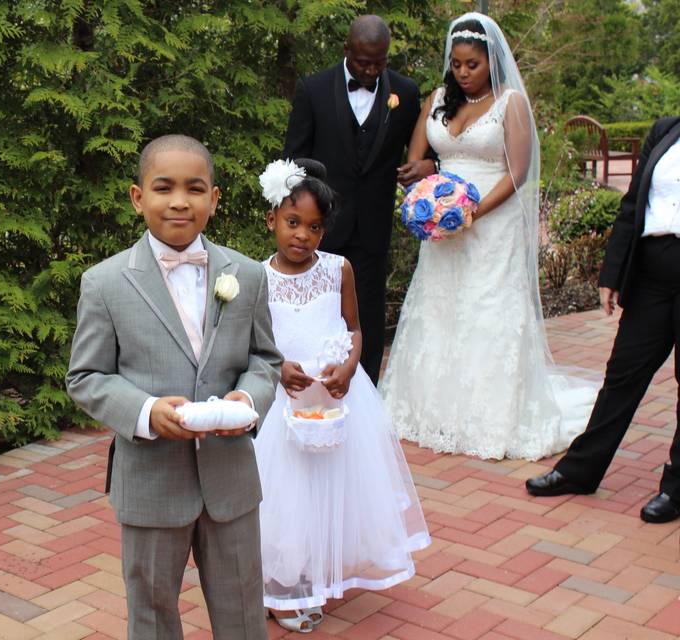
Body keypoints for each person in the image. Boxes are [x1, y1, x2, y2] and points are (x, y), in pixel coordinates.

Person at [65, 134, 283, 639]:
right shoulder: (105, 282)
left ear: (215, 198)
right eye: (163, 188)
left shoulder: (246, 276)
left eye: (195, 188)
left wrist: (247, 399)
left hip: (230, 481)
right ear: (138, 197)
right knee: (152, 610)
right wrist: (144, 412)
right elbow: (86, 376)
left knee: (243, 608)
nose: (180, 201)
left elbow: (265, 358)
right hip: (151, 479)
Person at [379, 13, 598, 460]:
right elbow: (417, 160)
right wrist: (432, 186)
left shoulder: (510, 103)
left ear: (491, 61)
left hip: (491, 225)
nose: (462, 72)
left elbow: (517, 172)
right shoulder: (440, 99)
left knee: (485, 311)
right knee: (440, 308)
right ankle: (431, 412)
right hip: (444, 225)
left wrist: (471, 212)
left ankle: (490, 417)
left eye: (472, 65)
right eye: (457, 64)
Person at [254, 158, 430, 633]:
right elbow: (253, 342)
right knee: (284, 495)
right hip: (283, 403)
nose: (302, 236)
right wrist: (277, 367)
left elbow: (354, 328)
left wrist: (351, 366)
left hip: (337, 399)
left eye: (314, 227)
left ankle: (314, 572)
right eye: (293, 223)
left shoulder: (339, 269)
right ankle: (281, 589)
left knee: (329, 491)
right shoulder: (257, 277)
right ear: (272, 219)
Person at [527, 116, 680, 523]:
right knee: (621, 377)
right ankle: (580, 470)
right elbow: (633, 205)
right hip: (652, 275)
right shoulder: (666, 131)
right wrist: (611, 274)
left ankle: (677, 488)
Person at [283, 14, 434, 384]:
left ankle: (363, 391)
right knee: (317, 309)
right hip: (321, 227)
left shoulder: (406, 92)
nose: (370, 71)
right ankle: (313, 385)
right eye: (363, 61)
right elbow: (293, 162)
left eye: (378, 63)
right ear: (346, 50)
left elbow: (423, 151)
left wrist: (427, 166)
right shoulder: (313, 89)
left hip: (372, 226)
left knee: (366, 313)